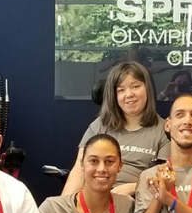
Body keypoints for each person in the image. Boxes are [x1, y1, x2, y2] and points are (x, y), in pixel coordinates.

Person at [61, 61, 169, 197]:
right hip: (96, 197)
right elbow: (79, 169)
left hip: (138, 201)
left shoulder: (164, 130)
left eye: (135, 86)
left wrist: (134, 187)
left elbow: (164, 179)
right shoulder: (100, 125)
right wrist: (64, 205)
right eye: (121, 90)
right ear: (114, 95)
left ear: (147, 89)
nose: (129, 94)